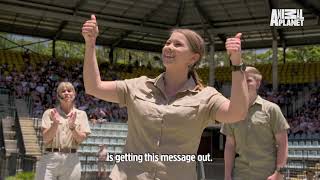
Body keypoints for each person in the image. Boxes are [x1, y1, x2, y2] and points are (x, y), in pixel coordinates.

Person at [82, 14, 249, 180]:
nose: (169, 47)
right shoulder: (138, 86)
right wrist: (90, 44)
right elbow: (93, 87)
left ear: (193, 58)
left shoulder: (206, 96)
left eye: (177, 44)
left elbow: (238, 113)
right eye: (167, 42)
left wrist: (236, 63)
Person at [220, 66, 290, 180]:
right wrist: (227, 175)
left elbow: (283, 144)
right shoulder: (231, 111)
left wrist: (279, 173)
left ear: (257, 84)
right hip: (240, 175)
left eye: (248, 80)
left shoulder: (272, 109)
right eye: (240, 80)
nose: (243, 83)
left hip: (268, 175)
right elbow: (230, 146)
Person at [35, 82, 91, 180]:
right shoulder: (49, 113)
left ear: (74, 94)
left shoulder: (81, 114)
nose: (66, 93)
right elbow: (46, 138)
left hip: (72, 158)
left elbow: (81, 139)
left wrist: (72, 127)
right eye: (63, 91)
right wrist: (55, 124)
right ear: (58, 95)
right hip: (50, 158)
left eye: (69, 91)